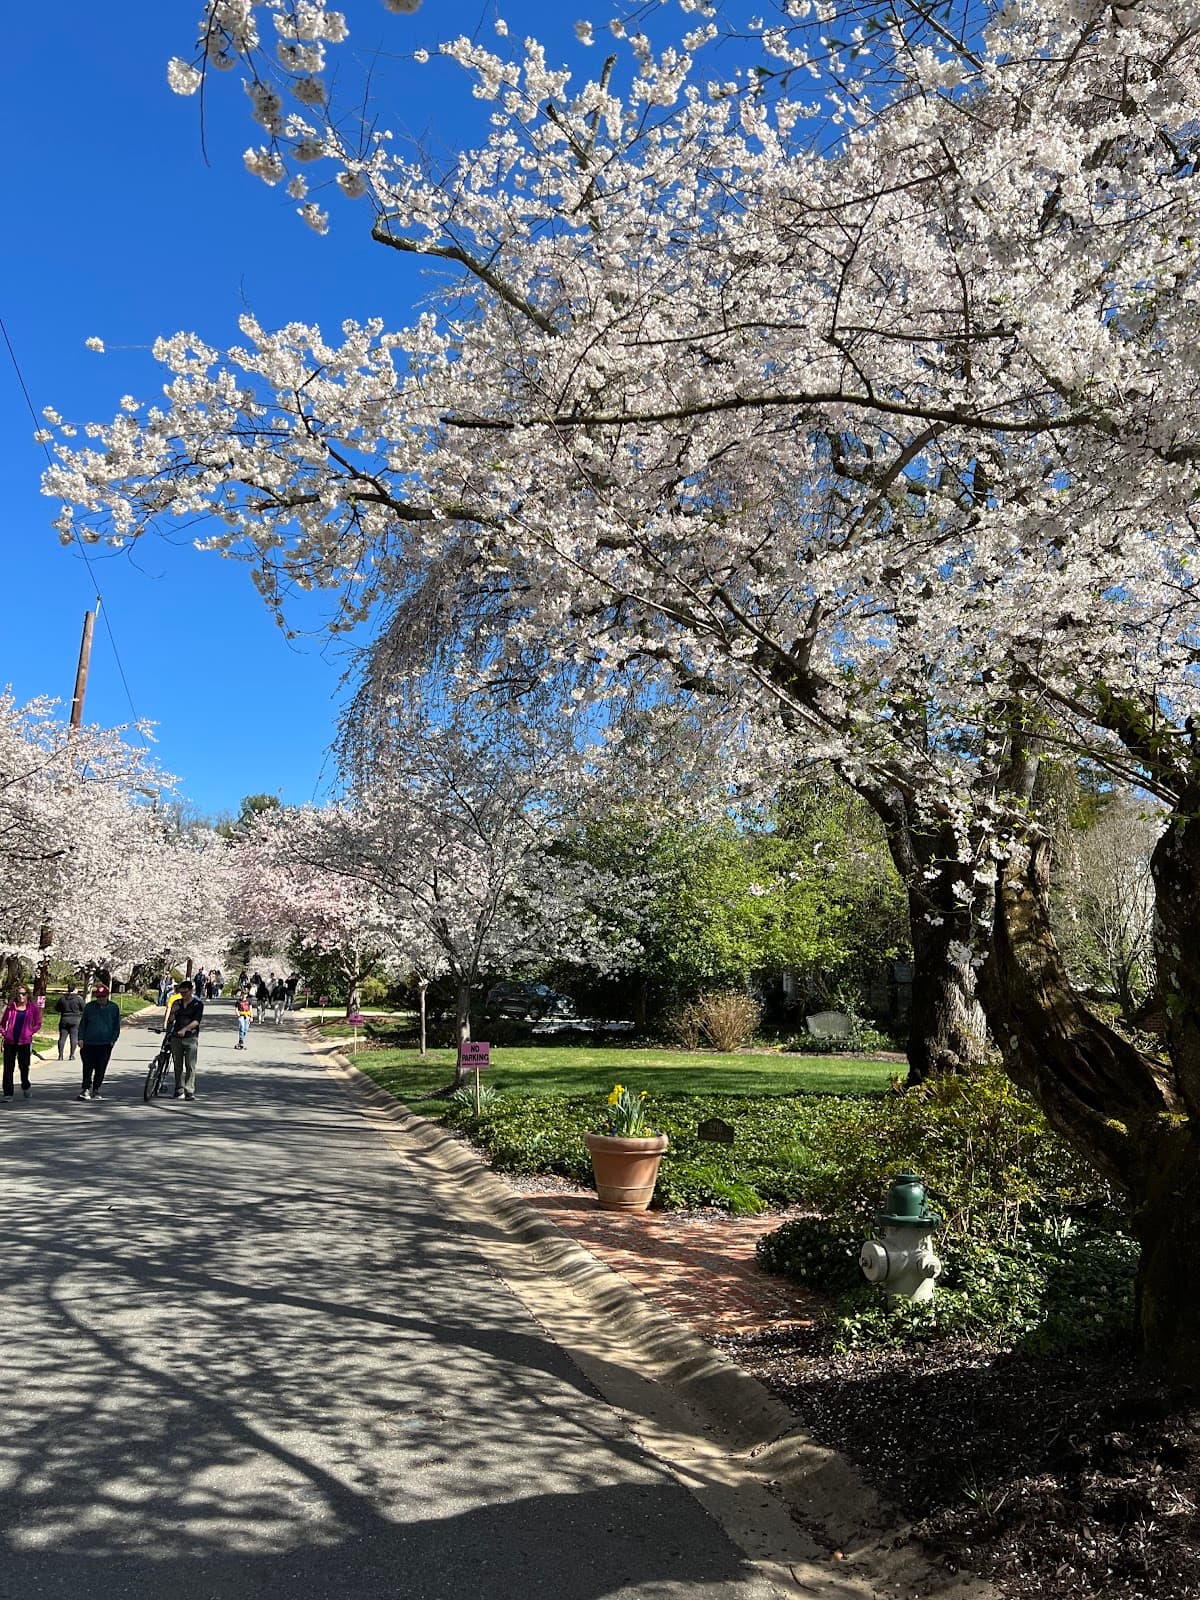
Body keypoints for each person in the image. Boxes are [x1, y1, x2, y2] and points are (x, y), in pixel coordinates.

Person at [77, 983, 121, 1101]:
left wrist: (113, 1040)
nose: (100, 999)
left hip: (105, 1043)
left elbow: (116, 1026)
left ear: (107, 996)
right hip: (89, 1042)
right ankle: (85, 1088)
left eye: (103, 996)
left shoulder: (113, 1008)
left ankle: (96, 1088)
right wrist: (80, 1038)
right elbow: (83, 1024)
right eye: (98, 997)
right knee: (87, 1067)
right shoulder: (90, 1007)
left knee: (101, 1068)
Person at [2, 982, 44, 1100]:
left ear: (27, 995)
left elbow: (38, 1023)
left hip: (24, 1042)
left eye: (23, 994)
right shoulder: (11, 1008)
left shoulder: (32, 1008)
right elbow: (2, 1023)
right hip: (10, 1041)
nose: (21, 996)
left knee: (24, 1066)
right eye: (19, 994)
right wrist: (5, 1033)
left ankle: (25, 1085)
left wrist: (30, 1032)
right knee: (8, 1068)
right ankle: (8, 1093)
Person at [166, 979, 203, 1101]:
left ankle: (189, 1090)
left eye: (185, 992)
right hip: (177, 1037)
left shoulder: (198, 1004)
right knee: (177, 1064)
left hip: (190, 1037)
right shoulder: (177, 1002)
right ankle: (179, 1089)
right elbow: (171, 1020)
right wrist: (173, 1012)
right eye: (181, 992)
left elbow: (196, 1021)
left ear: (191, 991)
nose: (183, 995)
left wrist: (185, 1029)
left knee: (190, 1064)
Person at [57, 982, 85, 1061]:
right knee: (74, 1037)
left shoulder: (62, 998)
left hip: (64, 1019)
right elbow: (84, 1008)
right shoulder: (78, 999)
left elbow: (57, 1008)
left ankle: (60, 1055)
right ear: (75, 989)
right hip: (75, 1020)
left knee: (62, 1037)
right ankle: (71, 1055)